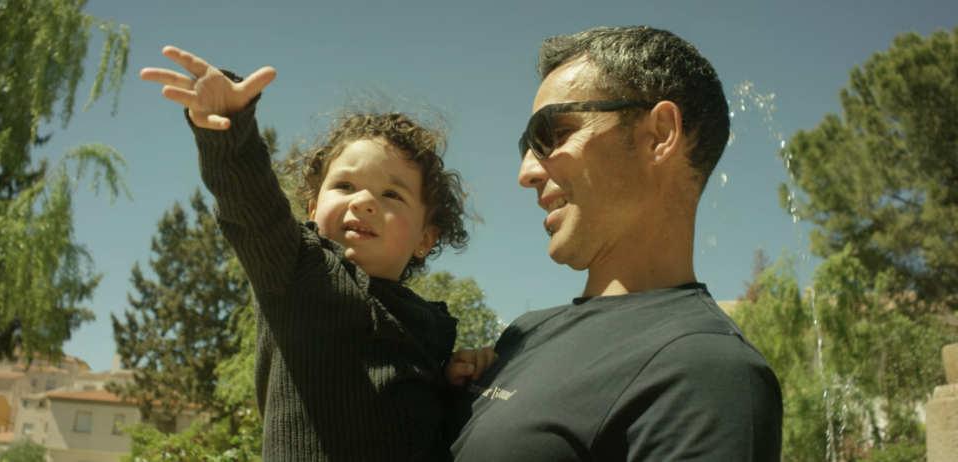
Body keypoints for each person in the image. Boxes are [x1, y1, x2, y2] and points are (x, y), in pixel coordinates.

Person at [443, 26, 784, 460]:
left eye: (552, 133)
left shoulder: (708, 370)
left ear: (659, 134)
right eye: (527, 145)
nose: (527, 172)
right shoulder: (522, 334)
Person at [140, 46, 496, 461]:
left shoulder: (429, 326)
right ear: (311, 210)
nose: (363, 201)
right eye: (345, 186)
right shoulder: (299, 271)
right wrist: (230, 128)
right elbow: (252, 207)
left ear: (426, 238)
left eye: (392, 194)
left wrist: (453, 386)